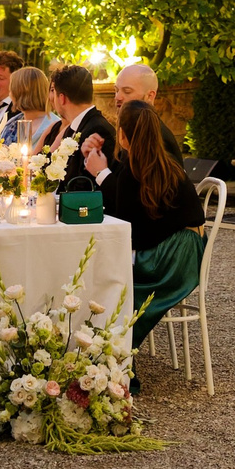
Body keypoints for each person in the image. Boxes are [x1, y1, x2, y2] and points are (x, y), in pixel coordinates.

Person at [79, 100, 208, 338]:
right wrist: (104, 172)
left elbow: (127, 227)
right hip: (189, 249)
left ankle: (109, 351)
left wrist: (100, 173)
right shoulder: (158, 160)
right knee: (106, 270)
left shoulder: (136, 169)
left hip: (171, 260)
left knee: (106, 279)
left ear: (123, 135)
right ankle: (108, 352)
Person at [45, 65, 114, 189]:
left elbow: (85, 185)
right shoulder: (75, 127)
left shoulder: (97, 129)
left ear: (62, 98)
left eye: (53, 93)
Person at [113, 62, 187, 162]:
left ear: (150, 96)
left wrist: (102, 172)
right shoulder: (132, 128)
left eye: (127, 91)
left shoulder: (156, 137)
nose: (118, 97)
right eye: (116, 90)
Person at [2, 65, 55, 147]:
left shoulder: (54, 127)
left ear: (20, 93)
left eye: (11, 90)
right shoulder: (12, 124)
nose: (10, 95)